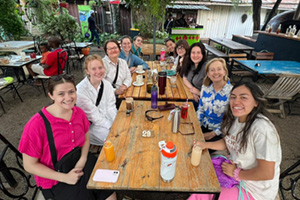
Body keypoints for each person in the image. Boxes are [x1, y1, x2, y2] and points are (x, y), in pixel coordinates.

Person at [19, 74, 117, 200]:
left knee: (108, 192)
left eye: (71, 92)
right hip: (55, 178)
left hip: (81, 162)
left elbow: (86, 139)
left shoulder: (78, 113)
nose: (68, 98)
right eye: (61, 94)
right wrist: (64, 178)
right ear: (51, 95)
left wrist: (83, 158)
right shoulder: (36, 125)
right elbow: (29, 165)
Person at [189, 81, 282, 200]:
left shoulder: (262, 129)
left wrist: (236, 173)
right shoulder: (236, 119)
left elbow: (267, 173)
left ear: (256, 102)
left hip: (254, 190)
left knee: (204, 193)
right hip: (235, 171)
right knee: (200, 172)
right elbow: (228, 141)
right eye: (233, 97)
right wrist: (205, 145)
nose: (236, 101)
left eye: (243, 97)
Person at [76, 54, 117, 152]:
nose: (98, 71)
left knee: (123, 131)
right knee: (115, 140)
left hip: (107, 120)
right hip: (92, 126)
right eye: (93, 69)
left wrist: (116, 122)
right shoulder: (81, 90)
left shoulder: (106, 85)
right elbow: (94, 116)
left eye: (100, 67)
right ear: (87, 71)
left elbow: (111, 107)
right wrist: (111, 127)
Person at [197, 58, 233, 142]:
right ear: (208, 74)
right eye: (212, 70)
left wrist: (213, 134)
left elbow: (232, 120)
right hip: (203, 127)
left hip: (220, 133)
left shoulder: (232, 92)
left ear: (225, 71)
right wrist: (197, 127)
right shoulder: (205, 88)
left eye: (219, 69)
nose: (216, 73)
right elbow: (200, 109)